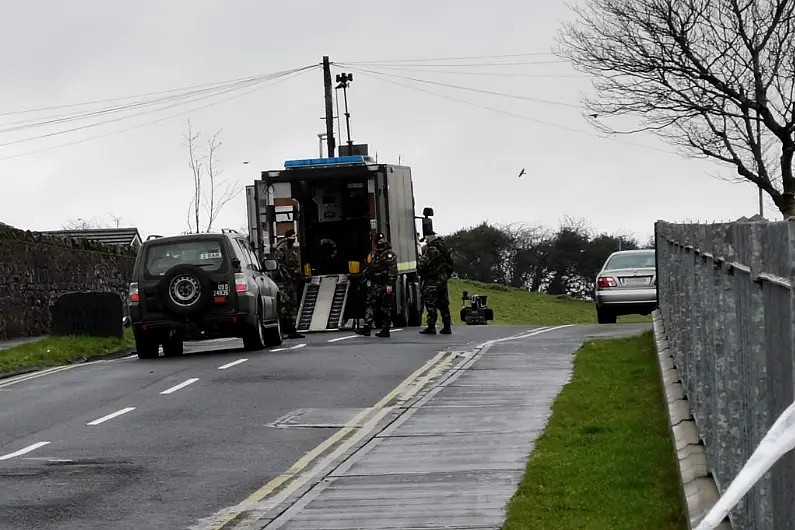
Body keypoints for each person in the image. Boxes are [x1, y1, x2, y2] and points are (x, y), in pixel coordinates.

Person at [356, 232, 398, 338]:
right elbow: (372, 267)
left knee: (386, 307)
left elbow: (392, 270)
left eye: (381, 241)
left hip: (384, 284)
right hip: (375, 284)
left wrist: (389, 284)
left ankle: (385, 329)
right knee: (369, 304)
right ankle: (367, 327)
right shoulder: (376, 254)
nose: (380, 243)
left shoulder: (389, 254)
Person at [418, 230, 454, 335]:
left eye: (426, 237)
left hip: (433, 279)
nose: (426, 240)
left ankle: (431, 326)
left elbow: (421, 264)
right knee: (443, 303)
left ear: (429, 237)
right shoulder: (443, 247)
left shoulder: (431, 249)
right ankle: (447, 326)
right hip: (443, 278)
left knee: (430, 302)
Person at [272, 229, 304, 339]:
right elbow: (279, 267)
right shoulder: (282, 249)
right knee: (285, 306)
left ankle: (292, 329)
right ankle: (285, 329)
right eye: (293, 237)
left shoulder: (290, 249)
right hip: (284, 283)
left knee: (292, 306)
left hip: (290, 282)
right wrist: (288, 276)